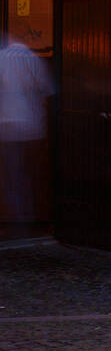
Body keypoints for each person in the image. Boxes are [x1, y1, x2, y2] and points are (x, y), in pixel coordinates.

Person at [0, 38, 54, 226]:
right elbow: (47, 89)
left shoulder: (2, 58)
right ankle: (29, 217)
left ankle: (14, 218)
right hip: (32, 127)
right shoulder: (31, 58)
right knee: (29, 174)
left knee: (11, 175)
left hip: (7, 126)